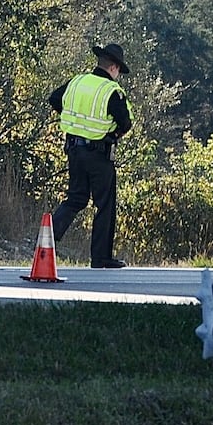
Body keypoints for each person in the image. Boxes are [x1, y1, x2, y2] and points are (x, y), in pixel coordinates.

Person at [48, 43, 134, 268]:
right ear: (114, 67)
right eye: (119, 72)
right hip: (99, 153)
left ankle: (46, 240)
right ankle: (100, 258)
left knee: (76, 198)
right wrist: (113, 133)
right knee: (105, 204)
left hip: (74, 149)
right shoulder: (111, 91)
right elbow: (126, 122)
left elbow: (54, 99)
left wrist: (75, 122)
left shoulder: (77, 82)